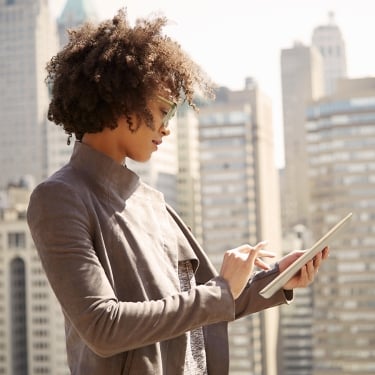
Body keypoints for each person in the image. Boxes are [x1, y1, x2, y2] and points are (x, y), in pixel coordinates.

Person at [27, 9, 328, 375]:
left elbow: (205, 300)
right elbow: (102, 326)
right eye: (164, 112)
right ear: (122, 103)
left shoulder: (153, 201)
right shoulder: (58, 198)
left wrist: (277, 278)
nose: (167, 129)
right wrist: (218, 291)